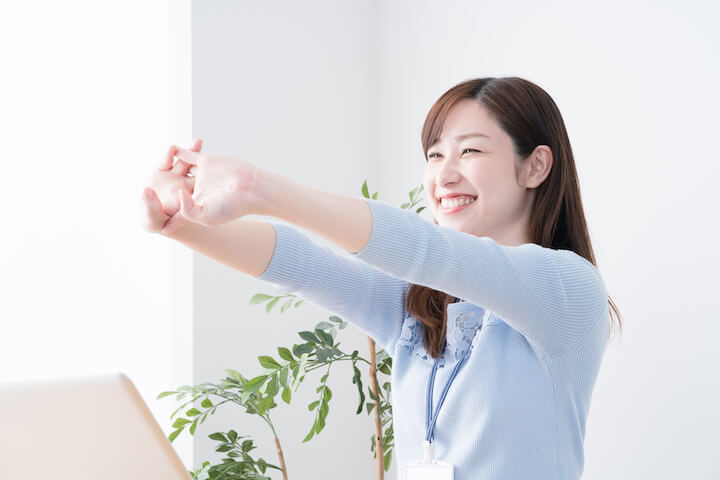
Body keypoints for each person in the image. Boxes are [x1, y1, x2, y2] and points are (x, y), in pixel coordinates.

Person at [140, 76, 621, 480]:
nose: (444, 176)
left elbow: (421, 249)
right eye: (434, 156)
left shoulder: (567, 289)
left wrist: (259, 190)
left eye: (470, 151)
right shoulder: (421, 312)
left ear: (535, 165)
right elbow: (301, 265)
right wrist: (178, 222)